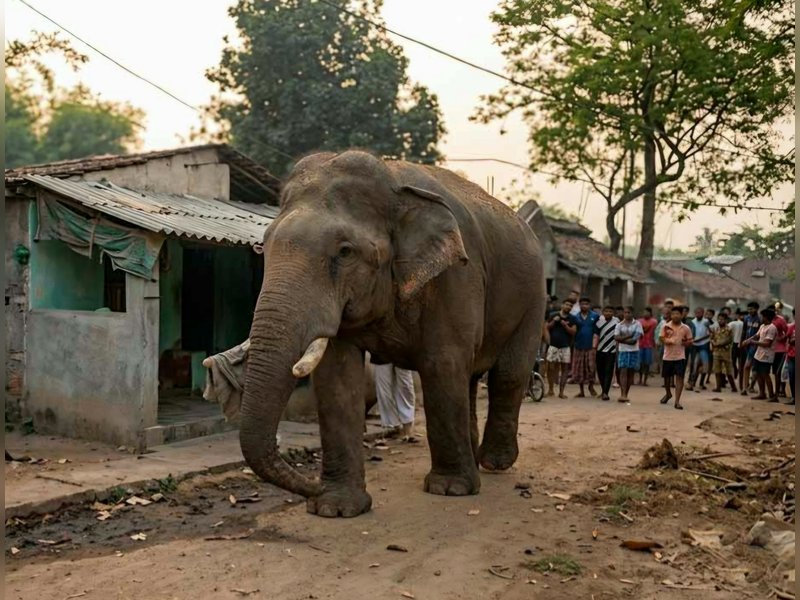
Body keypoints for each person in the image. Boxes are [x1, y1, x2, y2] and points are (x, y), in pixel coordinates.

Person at [659, 306, 694, 409]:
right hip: (668, 356)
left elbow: (690, 341)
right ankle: (668, 393)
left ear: (681, 315)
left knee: (679, 377)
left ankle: (677, 401)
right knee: (667, 378)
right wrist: (668, 341)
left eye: (677, 314)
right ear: (671, 315)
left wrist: (686, 343)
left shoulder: (686, 328)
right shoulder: (666, 326)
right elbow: (661, 338)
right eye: (673, 314)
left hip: (680, 356)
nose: (675, 316)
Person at [742, 308, 778, 401]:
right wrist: (748, 340)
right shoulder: (762, 326)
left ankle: (772, 395)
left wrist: (752, 342)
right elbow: (756, 336)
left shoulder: (772, 328)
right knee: (757, 373)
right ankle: (762, 393)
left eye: (762, 316)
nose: (761, 318)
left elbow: (767, 343)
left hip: (767, 355)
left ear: (766, 317)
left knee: (765, 374)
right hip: (758, 354)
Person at [374, 363, 417, 439]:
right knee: (384, 389)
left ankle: (408, 425)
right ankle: (394, 426)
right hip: (381, 356)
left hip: (402, 356)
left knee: (405, 385)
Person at [546, 299, 577, 399]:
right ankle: (550, 390)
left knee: (565, 369)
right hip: (553, 345)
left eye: (570, 306)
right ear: (562, 305)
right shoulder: (553, 315)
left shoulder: (572, 318)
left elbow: (573, 332)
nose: (568, 307)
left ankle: (561, 392)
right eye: (567, 304)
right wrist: (554, 321)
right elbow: (546, 327)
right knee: (550, 368)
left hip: (565, 346)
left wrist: (565, 325)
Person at [571, 297, 599, 397]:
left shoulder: (595, 316)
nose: (584, 306)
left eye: (586, 304)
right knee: (579, 369)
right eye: (582, 304)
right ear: (579, 305)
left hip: (590, 346)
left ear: (589, 305)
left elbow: (597, 331)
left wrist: (594, 345)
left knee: (591, 368)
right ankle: (581, 390)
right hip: (579, 345)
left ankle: (591, 386)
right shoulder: (575, 317)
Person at [614, 306, 643, 403]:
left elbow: (634, 341)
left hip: (634, 351)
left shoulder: (638, 324)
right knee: (623, 371)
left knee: (631, 372)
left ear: (633, 313)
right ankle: (622, 394)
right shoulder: (619, 325)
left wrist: (622, 339)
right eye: (625, 312)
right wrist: (629, 336)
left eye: (629, 312)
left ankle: (626, 394)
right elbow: (616, 338)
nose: (627, 314)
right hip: (623, 351)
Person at [593, 305, 619, 401]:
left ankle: (605, 393)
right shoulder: (599, 322)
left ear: (613, 313)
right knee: (600, 371)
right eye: (606, 311)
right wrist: (594, 347)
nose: (608, 313)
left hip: (611, 351)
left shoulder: (617, 322)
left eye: (610, 311)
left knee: (609, 371)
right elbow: (596, 335)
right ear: (603, 312)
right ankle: (603, 390)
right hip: (600, 349)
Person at [711, 312, 737, 393]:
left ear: (726, 320)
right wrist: (713, 343)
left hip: (726, 353)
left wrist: (716, 344)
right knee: (717, 370)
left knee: (728, 370)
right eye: (718, 319)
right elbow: (712, 338)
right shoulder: (716, 329)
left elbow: (728, 340)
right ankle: (718, 387)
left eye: (722, 319)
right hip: (716, 352)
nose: (720, 321)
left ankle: (733, 387)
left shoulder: (729, 329)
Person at [687, 306, 711, 391]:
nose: (698, 314)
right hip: (694, 345)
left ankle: (701, 383)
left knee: (705, 364)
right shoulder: (692, 322)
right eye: (697, 313)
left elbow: (710, 334)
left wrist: (699, 339)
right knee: (693, 364)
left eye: (700, 313)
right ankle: (691, 382)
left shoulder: (706, 322)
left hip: (703, 345)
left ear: (703, 313)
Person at [740, 302, 761, 395]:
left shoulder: (760, 319)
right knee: (749, 367)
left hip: (756, 345)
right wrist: (741, 342)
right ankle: (746, 387)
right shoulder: (746, 318)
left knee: (749, 366)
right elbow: (744, 331)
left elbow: (760, 334)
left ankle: (749, 386)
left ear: (756, 309)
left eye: (751, 309)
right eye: (748, 309)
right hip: (747, 345)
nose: (749, 311)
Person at [771, 302, 788, 397]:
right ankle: (777, 391)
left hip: (781, 350)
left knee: (779, 371)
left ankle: (780, 391)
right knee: (775, 372)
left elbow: (787, 332)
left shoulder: (781, 319)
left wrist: (782, 338)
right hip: (771, 350)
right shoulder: (767, 320)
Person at [637, 307, 657, 386]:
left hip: (649, 345)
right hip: (640, 344)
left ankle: (645, 380)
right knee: (640, 363)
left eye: (647, 312)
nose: (645, 314)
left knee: (647, 363)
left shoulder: (654, 322)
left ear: (650, 313)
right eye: (644, 312)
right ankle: (640, 379)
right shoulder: (639, 321)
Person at [729, 309, 744, 380]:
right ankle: (739, 374)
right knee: (740, 361)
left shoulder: (732, 323)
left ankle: (736, 372)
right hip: (741, 343)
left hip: (735, 343)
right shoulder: (742, 323)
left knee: (733, 361)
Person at [786, 309, 795, 405]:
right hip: (791, 355)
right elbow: (788, 340)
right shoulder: (791, 327)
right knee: (792, 377)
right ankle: (794, 397)